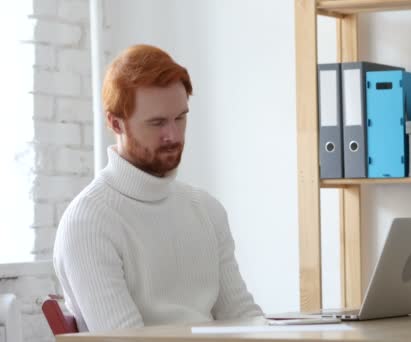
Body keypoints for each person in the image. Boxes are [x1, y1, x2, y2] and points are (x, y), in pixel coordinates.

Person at [53, 44, 262, 332]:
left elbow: (243, 318)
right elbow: (127, 340)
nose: (173, 135)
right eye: (157, 123)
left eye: (180, 117)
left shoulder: (207, 210)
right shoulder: (88, 224)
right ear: (116, 123)